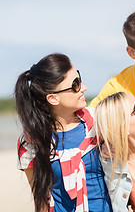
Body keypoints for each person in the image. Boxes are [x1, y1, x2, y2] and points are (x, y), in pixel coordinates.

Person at [16, 53, 112, 212]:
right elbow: (40, 200)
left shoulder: (99, 122)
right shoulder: (32, 141)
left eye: (79, 79)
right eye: (75, 85)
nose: (84, 88)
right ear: (53, 99)